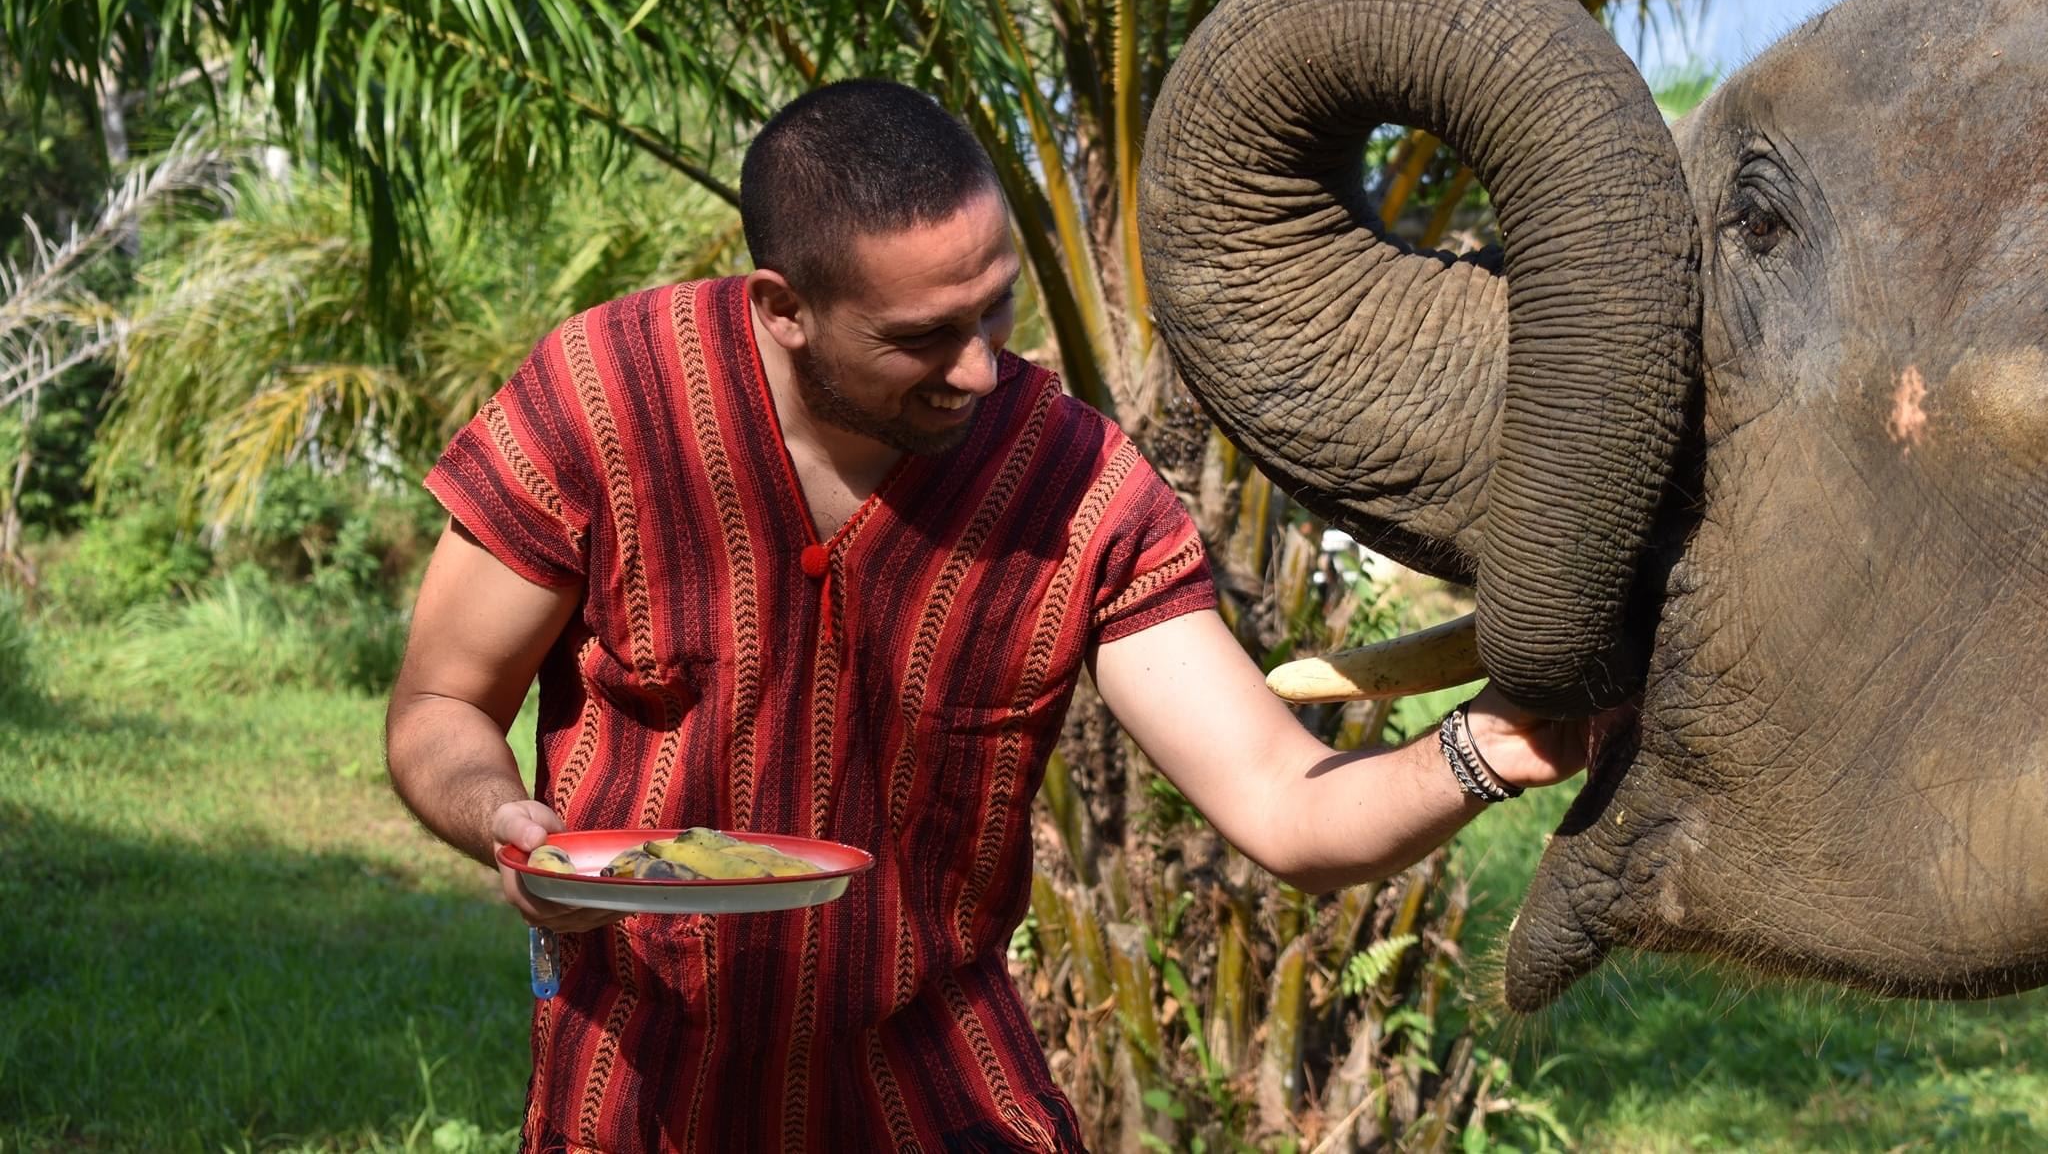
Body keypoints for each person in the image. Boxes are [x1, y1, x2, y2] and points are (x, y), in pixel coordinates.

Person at [385, 79, 1590, 1153]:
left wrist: (1487, 752)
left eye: (994, 310)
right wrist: (505, 823)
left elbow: (1281, 802)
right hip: (636, 1093)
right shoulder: (604, 400)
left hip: (938, 1087)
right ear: (780, 303)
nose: (977, 369)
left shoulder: (1074, 485)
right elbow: (441, 705)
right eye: (921, 337)